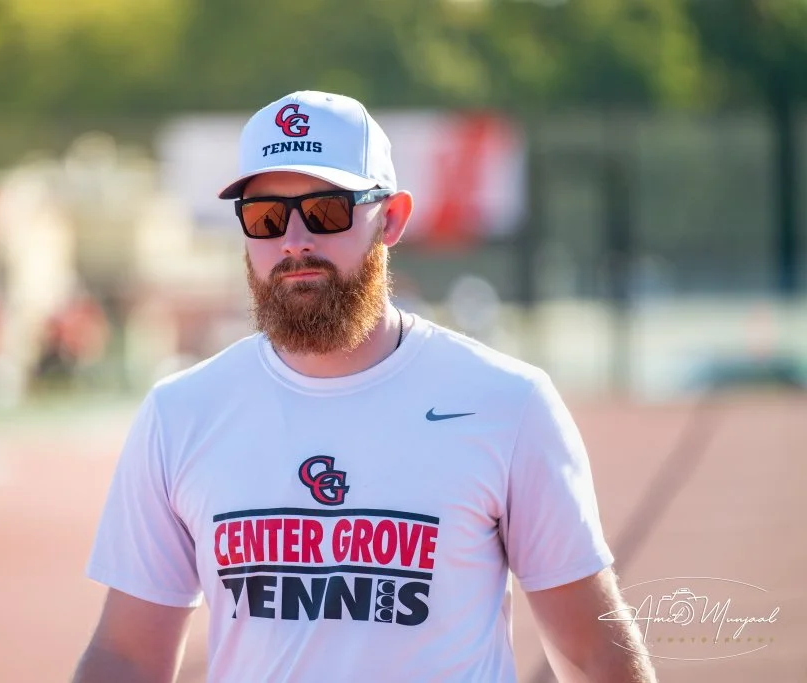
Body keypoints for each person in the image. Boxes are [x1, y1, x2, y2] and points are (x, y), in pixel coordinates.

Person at [73, 91, 656, 683]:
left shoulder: (508, 404)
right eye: (265, 216)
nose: (294, 240)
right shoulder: (181, 413)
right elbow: (126, 657)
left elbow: (593, 655)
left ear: (393, 219)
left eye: (326, 211)